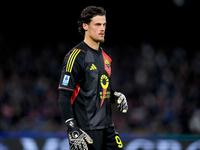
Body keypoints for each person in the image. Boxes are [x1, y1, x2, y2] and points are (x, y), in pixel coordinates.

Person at [58, 6, 128, 150]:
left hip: (108, 129)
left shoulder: (106, 57)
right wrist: (72, 128)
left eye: (104, 24)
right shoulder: (75, 56)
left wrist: (116, 96)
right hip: (86, 131)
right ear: (85, 26)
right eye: (97, 24)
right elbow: (64, 95)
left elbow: (100, 90)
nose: (102, 28)